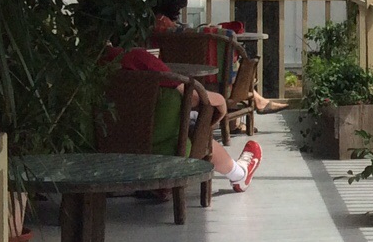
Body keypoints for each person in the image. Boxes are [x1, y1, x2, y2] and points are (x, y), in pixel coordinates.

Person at [105, 43, 262, 191]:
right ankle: (238, 174)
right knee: (195, 128)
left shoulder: (87, 69)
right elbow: (193, 97)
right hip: (158, 147)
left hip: (103, 144)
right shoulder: (136, 58)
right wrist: (221, 101)